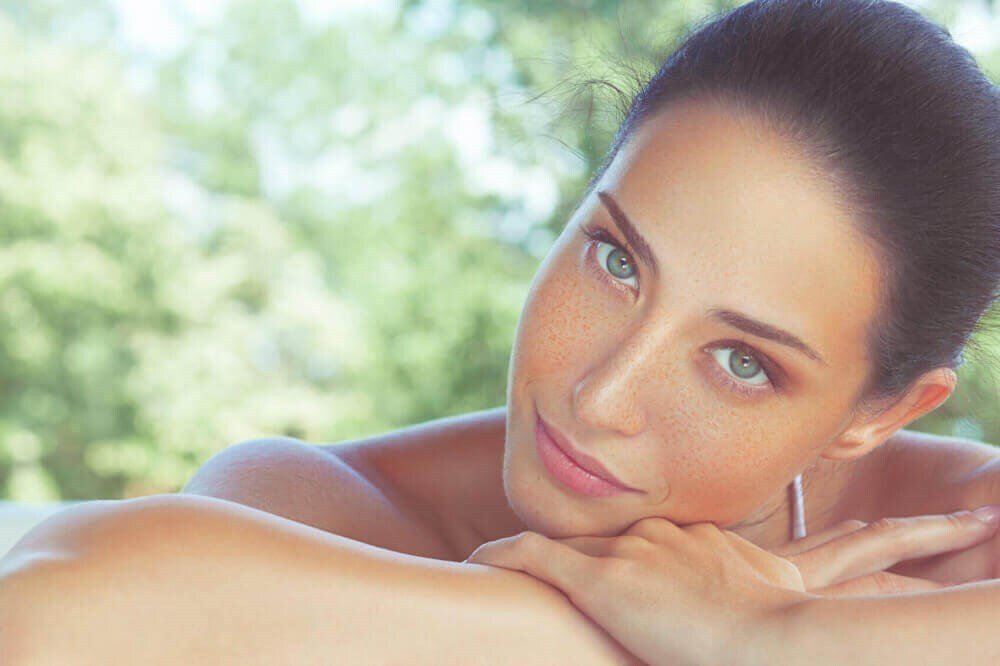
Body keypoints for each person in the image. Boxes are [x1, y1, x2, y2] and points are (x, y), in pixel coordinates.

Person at [4, 0, 1000, 663]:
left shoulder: (965, 550)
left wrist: (770, 634)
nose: (600, 399)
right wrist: (722, 637)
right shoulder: (309, 511)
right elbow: (51, 612)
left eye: (742, 363)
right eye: (615, 261)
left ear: (882, 412)